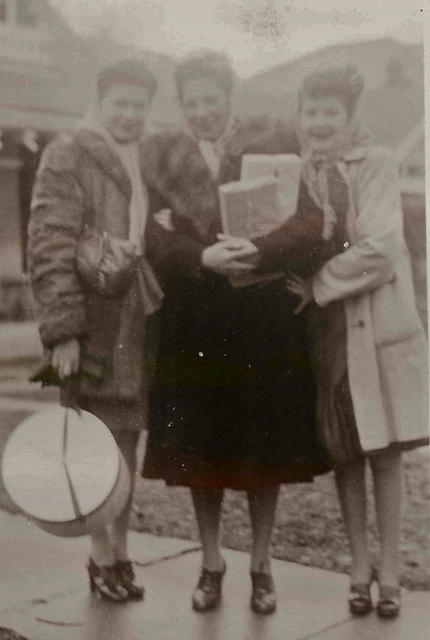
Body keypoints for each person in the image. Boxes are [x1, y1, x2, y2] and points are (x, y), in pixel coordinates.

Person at [142, 50, 332, 615]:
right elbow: (151, 239)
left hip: (260, 320)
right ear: (181, 107)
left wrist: (260, 250)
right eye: (192, 102)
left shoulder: (272, 144)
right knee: (201, 449)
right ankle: (211, 563)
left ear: (230, 100)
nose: (203, 111)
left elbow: (312, 224)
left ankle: (262, 565)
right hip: (195, 319)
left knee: (261, 450)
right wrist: (202, 254)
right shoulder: (164, 158)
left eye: (212, 100)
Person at [286, 65, 428, 619]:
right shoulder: (297, 172)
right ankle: (358, 564)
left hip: (370, 321)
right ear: (300, 119)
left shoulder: (377, 164)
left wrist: (318, 283)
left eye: (331, 114)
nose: (320, 124)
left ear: (350, 120)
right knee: (344, 447)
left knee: (385, 452)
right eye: (311, 113)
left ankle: (390, 570)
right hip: (326, 330)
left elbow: (382, 246)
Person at [28, 59, 162, 602]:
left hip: (137, 317)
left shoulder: (147, 159)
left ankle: (122, 549)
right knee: (95, 440)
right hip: (93, 321)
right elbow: (50, 242)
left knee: (127, 439)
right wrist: (63, 331)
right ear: (100, 103)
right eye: (119, 103)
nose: (128, 114)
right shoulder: (69, 154)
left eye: (138, 105)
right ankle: (99, 555)